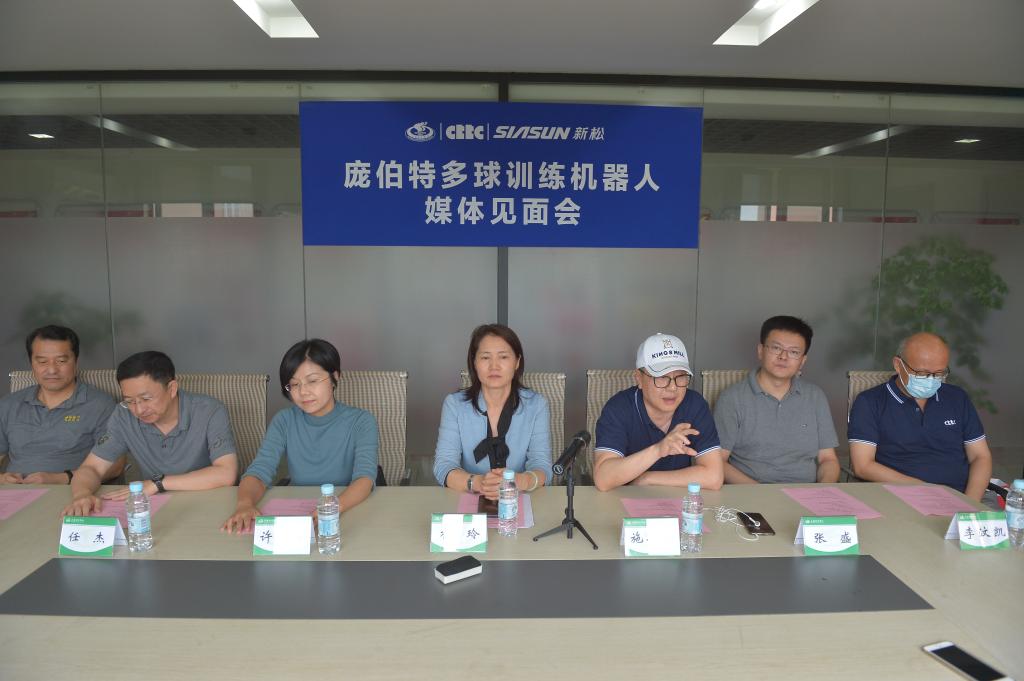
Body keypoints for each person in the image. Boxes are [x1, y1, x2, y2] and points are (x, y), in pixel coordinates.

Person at [222, 339, 379, 533]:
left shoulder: (361, 421)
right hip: (300, 510)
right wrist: (245, 504)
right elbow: (259, 472)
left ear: (334, 376)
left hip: (350, 508)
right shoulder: (284, 420)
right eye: (294, 384)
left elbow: (364, 479)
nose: (303, 392)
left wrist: (331, 509)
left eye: (312, 381)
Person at [61, 350, 239, 516]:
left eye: (146, 399)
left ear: (172, 389)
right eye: (129, 401)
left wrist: (158, 483)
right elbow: (92, 468)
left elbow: (226, 473)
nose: (139, 410)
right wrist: (82, 494)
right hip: (156, 506)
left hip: (208, 502)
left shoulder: (209, 411)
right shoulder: (123, 415)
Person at [848, 331, 993, 501]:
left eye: (939, 373)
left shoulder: (957, 398)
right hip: (901, 498)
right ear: (898, 365)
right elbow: (863, 466)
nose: (931, 380)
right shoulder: (870, 402)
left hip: (963, 497)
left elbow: (980, 457)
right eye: (922, 373)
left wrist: (970, 505)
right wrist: (927, 490)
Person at [714, 316, 840, 484]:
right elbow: (718, 461)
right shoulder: (732, 399)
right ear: (760, 350)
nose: (783, 357)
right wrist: (760, 493)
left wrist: (823, 491)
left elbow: (828, 459)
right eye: (776, 348)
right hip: (751, 493)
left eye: (793, 352)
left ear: (802, 361)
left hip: (805, 493)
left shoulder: (815, 397)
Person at [434, 324, 551, 500]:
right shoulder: (455, 405)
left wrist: (522, 481)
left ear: (517, 362)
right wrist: (478, 483)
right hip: (468, 499)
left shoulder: (536, 405)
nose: (494, 366)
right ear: (474, 362)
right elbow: (443, 466)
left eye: (503, 357)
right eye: (485, 357)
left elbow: (543, 466)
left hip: (522, 499)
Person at [593, 333, 723, 492]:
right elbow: (603, 479)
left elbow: (714, 477)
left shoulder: (694, 404)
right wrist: (658, 450)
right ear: (639, 378)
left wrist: (647, 479)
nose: (673, 387)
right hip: (623, 499)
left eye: (681, 376)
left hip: (677, 498)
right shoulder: (619, 408)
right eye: (661, 377)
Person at [0, 325, 117, 485]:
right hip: (14, 492)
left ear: (76, 361)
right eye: (42, 361)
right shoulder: (8, 404)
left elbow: (116, 465)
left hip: (72, 490)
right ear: (31, 363)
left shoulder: (100, 404)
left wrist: (60, 478)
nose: (52, 370)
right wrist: (3, 479)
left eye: (61, 361)